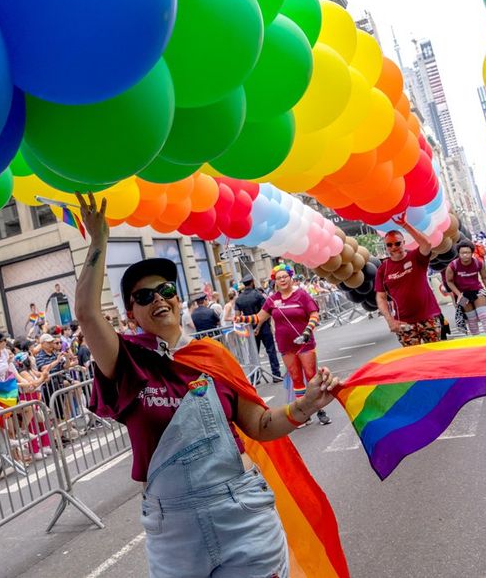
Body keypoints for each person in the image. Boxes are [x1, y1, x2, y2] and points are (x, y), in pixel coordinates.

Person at [74, 193, 341, 578]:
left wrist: (306, 405)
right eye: (144, 297)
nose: (159, 300)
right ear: (130, 313)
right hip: (173, 535)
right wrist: (99, 242)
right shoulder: (126, 360)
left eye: (166, 290)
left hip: (241, 517)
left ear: (178, 298)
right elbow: (85, 312)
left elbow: (261, 426)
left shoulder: (213, 355)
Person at [236, 263, 331, 426]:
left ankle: (319, 410)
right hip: (286, 345)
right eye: (279, 278)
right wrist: (242, 319)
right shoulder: (272, 300)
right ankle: (303, 413)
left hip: (304, 343)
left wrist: (307, 331)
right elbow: (259, 317)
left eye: (285, 277)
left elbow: (314, 314)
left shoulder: (301, 294)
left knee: (311, 377)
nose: (282, 280)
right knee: (296, 379)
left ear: (290, 277)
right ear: (275, 281)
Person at [375, 216, 442, 347]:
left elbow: (427, 244)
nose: (394, 247)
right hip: (404, 322)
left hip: (429, 316)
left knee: (435, 356)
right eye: (389, 244)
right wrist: (390, 321)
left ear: (404, 242)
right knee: (412, 360)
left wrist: (405, 225)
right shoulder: (383, 269)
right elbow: (381, 297)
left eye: (397, 243)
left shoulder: (416, 257)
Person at [445, 241, 486, 335]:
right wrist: (458, 295)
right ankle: (476, 340)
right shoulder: (452, 266)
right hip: (462, 294)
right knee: (471, 318)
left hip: (477, 290)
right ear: (459, 253)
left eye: (467, 253)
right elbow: (449, 282)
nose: (465, 255)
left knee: (484, 316)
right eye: (462, 253)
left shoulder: (479, 263)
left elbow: (485, 278)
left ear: (472, 253)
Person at [234, 274, 282, 381]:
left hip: (249, 328)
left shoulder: (239, 299)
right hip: (263, 326)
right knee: (270, 351)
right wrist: (258, 327)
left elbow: (237, 317)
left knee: (253, 353)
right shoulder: (258, 295)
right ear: (252, 282)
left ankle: (254, 378)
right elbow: (265, 312)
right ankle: (276, 375)